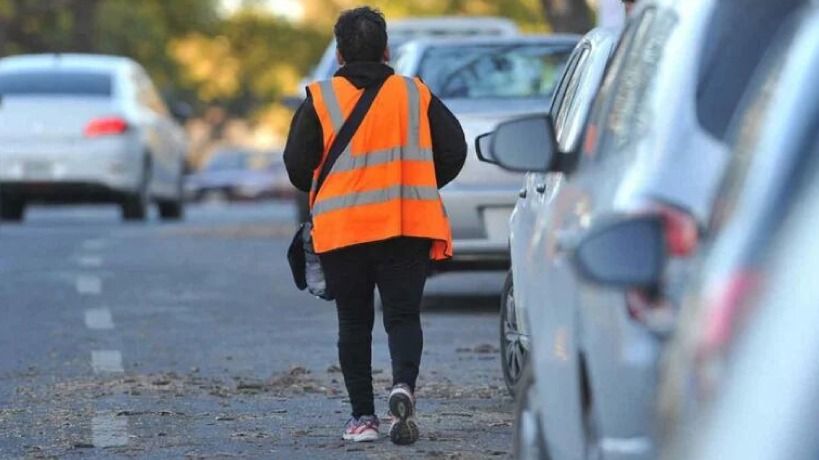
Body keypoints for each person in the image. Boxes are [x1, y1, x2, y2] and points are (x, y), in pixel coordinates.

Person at [283, 6, 466, 445]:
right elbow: (455, 150)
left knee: (354, 322)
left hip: (343, 231)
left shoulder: (321, 99)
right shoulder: (414, 94)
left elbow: (296, 167)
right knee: (402, 316)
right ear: (386, 51)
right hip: (406, 225)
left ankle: (363, 418)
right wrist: (416, 182)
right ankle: (403, 386)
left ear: (339, 54)